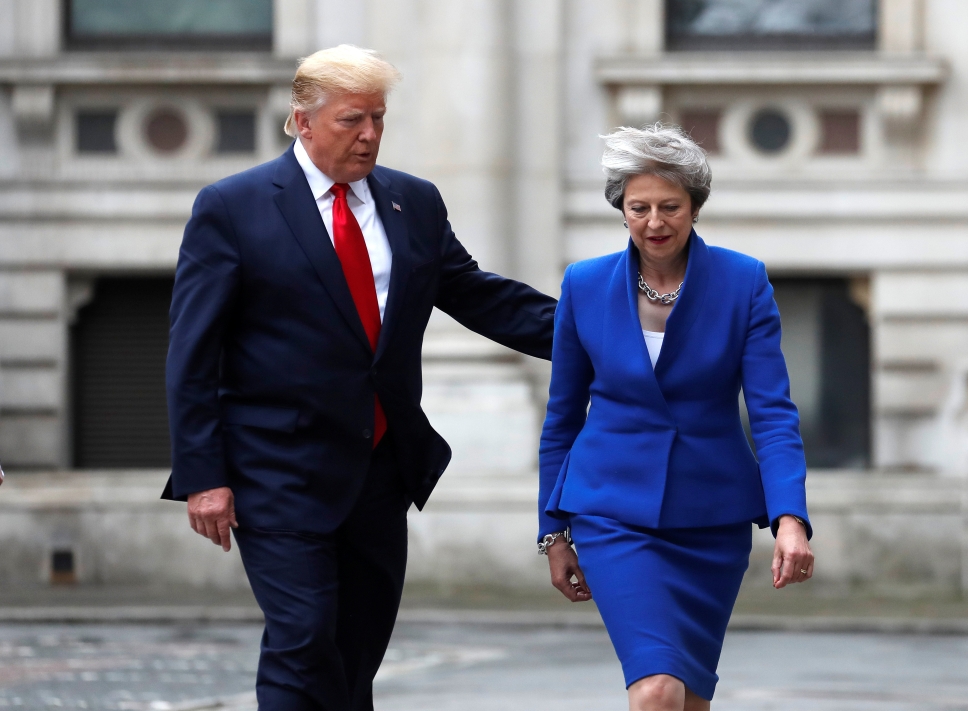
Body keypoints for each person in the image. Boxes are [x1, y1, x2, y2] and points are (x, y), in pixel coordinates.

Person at [163, 45, 556, 711]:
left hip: (377, 470)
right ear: (302, 122)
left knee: (354, 656)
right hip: (276, 470)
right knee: (303, 640)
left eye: (378, 118)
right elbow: (191, 352)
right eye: (352, 120)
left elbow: (481, 297)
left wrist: (608, 334)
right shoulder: (235, 207)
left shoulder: (413, 203)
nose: (370, 135)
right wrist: (204, 474)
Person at [537, 123, 814, 711]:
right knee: (656, 690)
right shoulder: (583, 285)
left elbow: (771, 412)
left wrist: (790, 517)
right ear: (621, 208)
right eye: (639, 208)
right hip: (612, 513)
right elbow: (561, 418)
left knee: (688, 698)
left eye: (670, 207)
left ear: (695, 207)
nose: (655, 223)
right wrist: (553, 532)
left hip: (711, 519)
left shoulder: (743, 282)